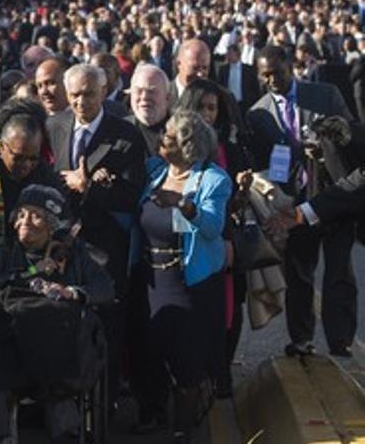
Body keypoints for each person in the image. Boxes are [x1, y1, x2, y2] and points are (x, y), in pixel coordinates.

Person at [0, 185, 114, 444]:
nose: (25, 221)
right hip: (4, 347)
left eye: (36, 215)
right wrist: (17, 277)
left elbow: (105, 288)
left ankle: (65, 433)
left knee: (59, 335)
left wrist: (71, 292)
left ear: (53, 225)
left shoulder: (75, 256)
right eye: (21, 214)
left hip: (53, 351)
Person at [245, 45, 357, 358]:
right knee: (299, 274)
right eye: (264, 75)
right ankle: (301, 339)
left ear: (291, 66)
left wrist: (327, 150)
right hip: (292, 205)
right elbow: (259, 163)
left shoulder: (326, 95)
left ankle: (341, 339)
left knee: (338, 270)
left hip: (332, 196)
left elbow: (351, 136)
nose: (271, 81)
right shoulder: (257, 113)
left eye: (276, 73)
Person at [46, 63, 146, 400]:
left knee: (108, 316)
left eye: (88, 94)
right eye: (73, 95)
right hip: (59, 241)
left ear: (103, 92)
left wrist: (88, 186)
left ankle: (108, 392)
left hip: (105, 244)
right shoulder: (54, 125)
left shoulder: (126, 135)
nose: (80, 102)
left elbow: (132, 196)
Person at [130, 110, 231, 442]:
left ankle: (183, 427)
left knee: (185, 359)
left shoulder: (213, 180)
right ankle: (154, 411)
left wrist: (185, 206)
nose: (162, 141)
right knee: (148, 351)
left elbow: (213, 228)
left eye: (169, 137)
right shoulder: (154, 171)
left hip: (188, 283)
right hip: (149, 278)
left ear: (188, 145)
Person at [178, 78, 251, 397]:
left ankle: (220, 372)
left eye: (213, 108)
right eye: (201, 108)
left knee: (228, 311)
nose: (207, 115)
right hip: (183, 243)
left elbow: (235, 204)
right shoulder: (175, 149)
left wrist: (243, 192)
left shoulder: (230, 151)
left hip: (223, 242)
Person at [0, 99, 61, 248]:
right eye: (18, 158)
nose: (26, 165)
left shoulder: (44, 173)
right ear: (1, 147)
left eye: (33, 158)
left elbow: (62, 216)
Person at [128, 63, 173, 153]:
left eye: (152, 91)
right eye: (139, 91)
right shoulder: (119, 130)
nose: (144, 97)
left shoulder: (180, 131)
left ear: (168, 98)